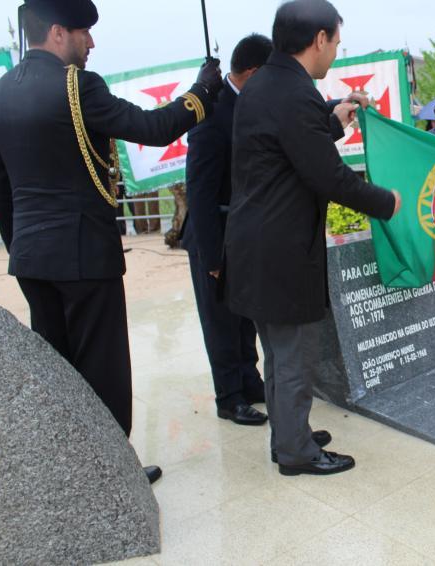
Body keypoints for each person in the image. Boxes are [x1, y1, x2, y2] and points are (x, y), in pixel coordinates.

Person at [0, 0, 222, 484]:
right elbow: (154, 128)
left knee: (57, 369)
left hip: (31, 259)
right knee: (102, 367)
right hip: (86, 255)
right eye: (83, 33)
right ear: (57, 32)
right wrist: (202, 91)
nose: (91, 43)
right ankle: (113, 475)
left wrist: (21, 244)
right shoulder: (78, 86)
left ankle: (74, 473)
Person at [224, 0, 400, 476]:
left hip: (255, 243)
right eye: (336, 43)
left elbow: (290, 143)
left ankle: (288, 434)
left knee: (278, 352)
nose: (336, 53)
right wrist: (386, 202)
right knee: (294, 355)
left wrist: (335, 118)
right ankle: (297, 452)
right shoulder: (295, 92)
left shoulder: (263, 84)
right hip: (282, 248)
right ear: (319, 39)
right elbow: (328, 176)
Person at [181, 34, 273, 426]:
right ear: (252, 72)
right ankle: (229, 396)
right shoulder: (212, 109)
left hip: (243, 231)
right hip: (213, 234)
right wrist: (212, 256)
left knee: (244, 314)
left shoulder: (249, 103)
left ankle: (249, 380)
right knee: (219, 319)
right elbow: (199, 190)